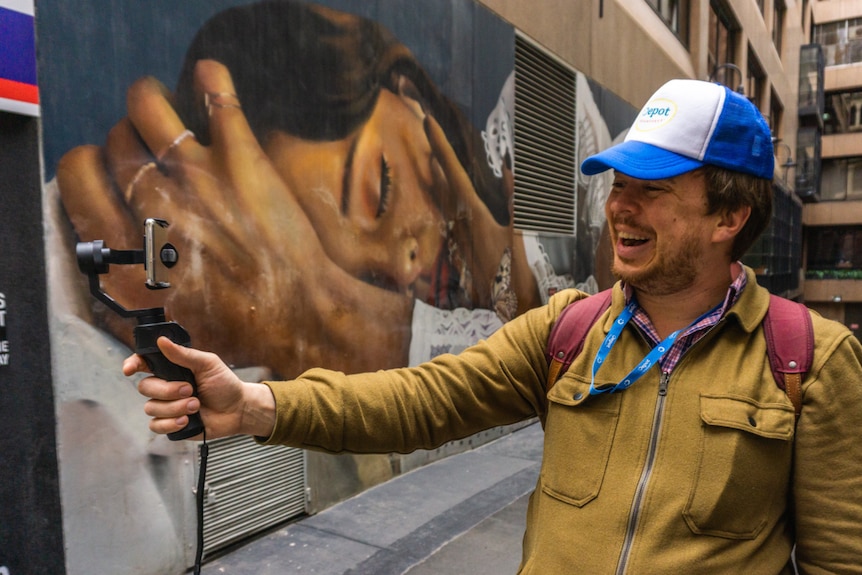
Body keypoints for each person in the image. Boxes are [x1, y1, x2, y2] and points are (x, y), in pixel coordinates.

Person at [129, 77, 862, 573]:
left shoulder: (809, 360)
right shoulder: (567, 332)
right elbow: (419, 399)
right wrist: (257, 404)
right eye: (620, 185)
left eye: (655, 191)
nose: (620, 208)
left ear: (730, 216)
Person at [55, 0, 610, 378]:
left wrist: (321, 315)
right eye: (366, 280)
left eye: (379, 189)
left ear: (406, 93)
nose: (401, 268)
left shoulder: (546, 119)